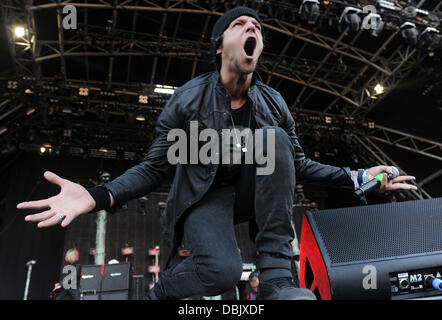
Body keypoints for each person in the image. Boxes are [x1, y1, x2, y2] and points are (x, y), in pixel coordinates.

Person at [17, 7, 418, 300]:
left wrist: (357, 176)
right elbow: (156, 167)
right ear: (220, 43)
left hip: (251, 193)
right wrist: (96, 194)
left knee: (276, 141)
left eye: (257, 28)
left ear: (258, 47)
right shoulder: (188, 101)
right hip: (202, 196)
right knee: (222, 274)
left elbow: (296, 164)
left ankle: (278, 281)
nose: (252, 30)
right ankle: (165, 289)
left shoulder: (273, 103)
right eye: (241, 25)